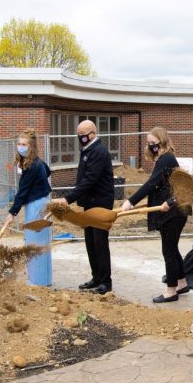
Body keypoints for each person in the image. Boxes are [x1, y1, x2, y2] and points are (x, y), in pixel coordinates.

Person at [122, 127, 191, 303]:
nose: (151, 146)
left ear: (162, 141)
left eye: (153, 143)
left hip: (173, 211)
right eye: (149, 143)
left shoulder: (166, 158)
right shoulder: (164, 158)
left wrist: (131, 201)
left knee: (168, 250)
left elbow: (152, 183)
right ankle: (182, 283)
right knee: (173, 248)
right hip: (174, 210)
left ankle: (171, 291)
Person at [65, 119, 115, 294]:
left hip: (100, 203)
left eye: (84, 135)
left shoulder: (99, 151)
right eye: (79, 135)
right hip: (89, 203)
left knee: (100, 243)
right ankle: (96, 277)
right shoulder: (88, 149)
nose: (81, 138)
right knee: (90, 242)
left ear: (93, 133)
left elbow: (90, 180)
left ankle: (105, 281)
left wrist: (68, 199)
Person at [5, 129, 52, 287]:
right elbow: (48, 170)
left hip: (36, 205)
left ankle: (36, 281)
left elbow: (22, 191)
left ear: (31, 146)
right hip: (41, 201)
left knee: (35, 242)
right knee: (41, 242)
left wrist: (12, 212)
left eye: (24, 144)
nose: (20, 146)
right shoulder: (36, 162)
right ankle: (44, 279)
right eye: (19, 143)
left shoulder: (32, 165)